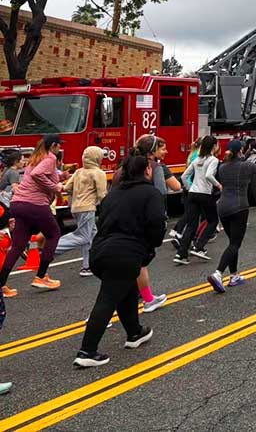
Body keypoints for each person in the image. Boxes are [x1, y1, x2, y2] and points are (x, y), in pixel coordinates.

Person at [74, 154, 165, 368]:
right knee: (108, 299)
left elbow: (102, 220)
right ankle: (87, 350)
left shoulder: (113, 195)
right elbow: (156, 224)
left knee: (126, 290)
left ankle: (135, 332)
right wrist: (150, 247)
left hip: (101, 250)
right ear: (147, 171)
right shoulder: (151, 193)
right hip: (126, 252)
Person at [0, 136, 66, 293]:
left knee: (18, 245)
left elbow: (35, 175)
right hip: (34, 204)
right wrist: (55, 187)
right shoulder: (50, 157)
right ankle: (41, 276)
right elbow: (38, 175)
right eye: (58, 146)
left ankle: (1, 284)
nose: (59, 149)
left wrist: (61, 177)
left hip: (17, 203)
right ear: (54, 145)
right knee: (53, 234)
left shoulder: (36, 157)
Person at [208, 140, 256, 293]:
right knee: (235, 243)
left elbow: (237, 162)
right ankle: (218, 273)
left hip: (223, 207)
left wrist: (244, 155)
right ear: (240, 151)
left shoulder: (223, 167)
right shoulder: (246, 166)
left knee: (232, 242)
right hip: (239, 207)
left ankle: (233, 275)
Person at [134, 135, 178, 312]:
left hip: (124, 218)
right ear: (152, 152)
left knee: (135, 262)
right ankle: (146, 298)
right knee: (141, 261)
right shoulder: (156, 168)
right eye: (162, 148)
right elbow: (161, 194)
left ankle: (138, 294)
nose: (166, 151)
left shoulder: (124, 165)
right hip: (144, 220)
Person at [52, 146, 107, 278]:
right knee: (83, 236)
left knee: (92, 235)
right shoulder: (98, 173)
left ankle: (88, 266)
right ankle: (51, 248)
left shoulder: (79, 172)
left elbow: (67, 188)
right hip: (88, 208)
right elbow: (102, 195)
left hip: (75, 208)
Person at [175, 136, 222, 264]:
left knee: (191, 224)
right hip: (205, 194)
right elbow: (209, 175)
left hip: (192, 194)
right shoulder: (213, 160)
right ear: (213, 146)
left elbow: (184, 176)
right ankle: (199, 246)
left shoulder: (197, 160)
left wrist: (190, 188)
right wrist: (218, 185)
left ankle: (181, 254)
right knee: (212, 220)